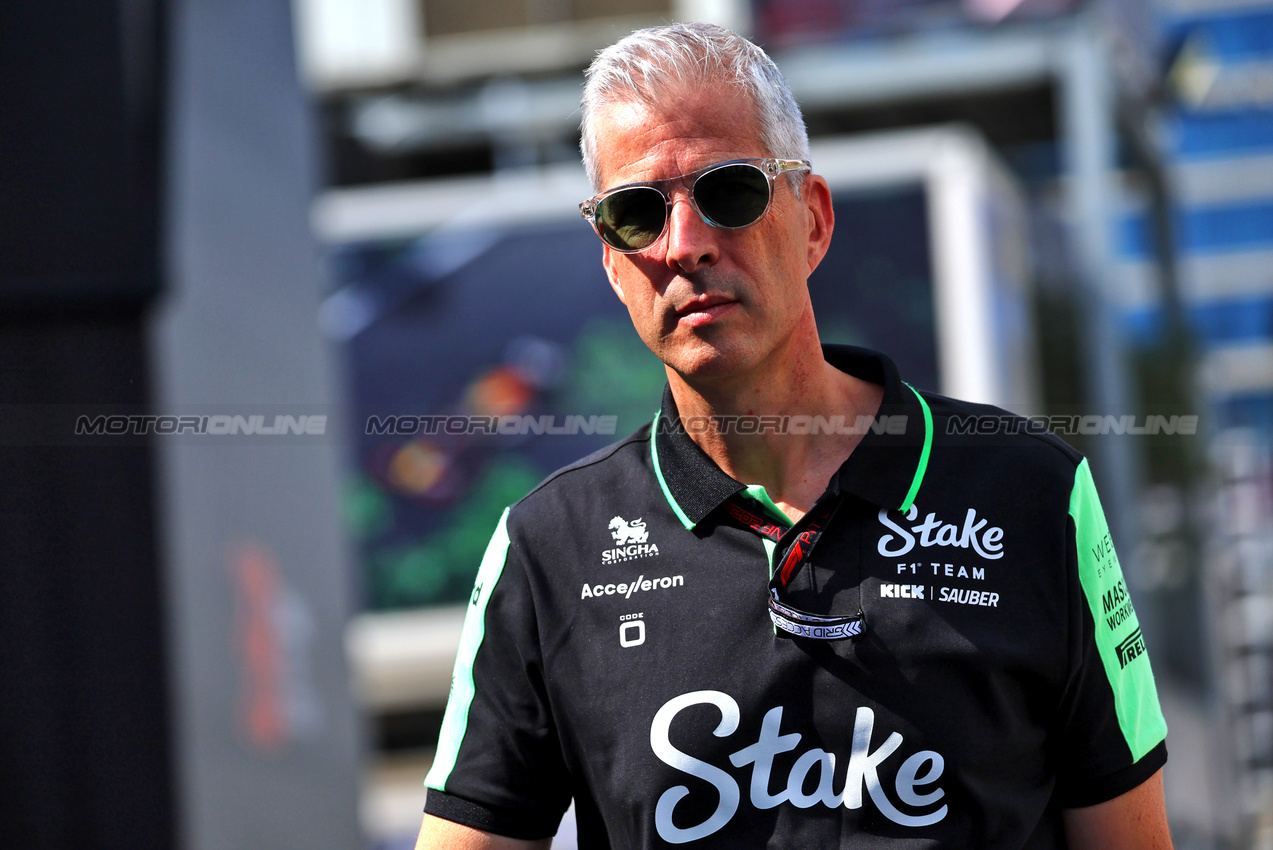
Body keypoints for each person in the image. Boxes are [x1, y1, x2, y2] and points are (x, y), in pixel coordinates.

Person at [416, 22, 1172, 850]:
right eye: (636, 213)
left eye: (726, 191)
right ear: (609, 261)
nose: (685, 245)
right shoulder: (546, 548)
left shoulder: (1031, 492)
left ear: (810, 219)